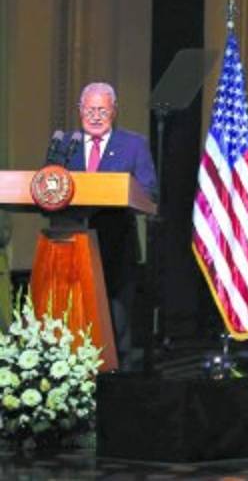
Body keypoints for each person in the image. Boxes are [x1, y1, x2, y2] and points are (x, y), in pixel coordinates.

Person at [66, 82, 158, 363]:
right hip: (71, 240)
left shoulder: (133, 144)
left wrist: (119, 190)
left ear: (114, 112)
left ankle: (119, 372)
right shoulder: (65, 144)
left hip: (117, 243)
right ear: (80, 110)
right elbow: (49, 182)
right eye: (90, 110)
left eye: (102, 111)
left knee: (116, 318)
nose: (95, 116)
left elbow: (150, 191)